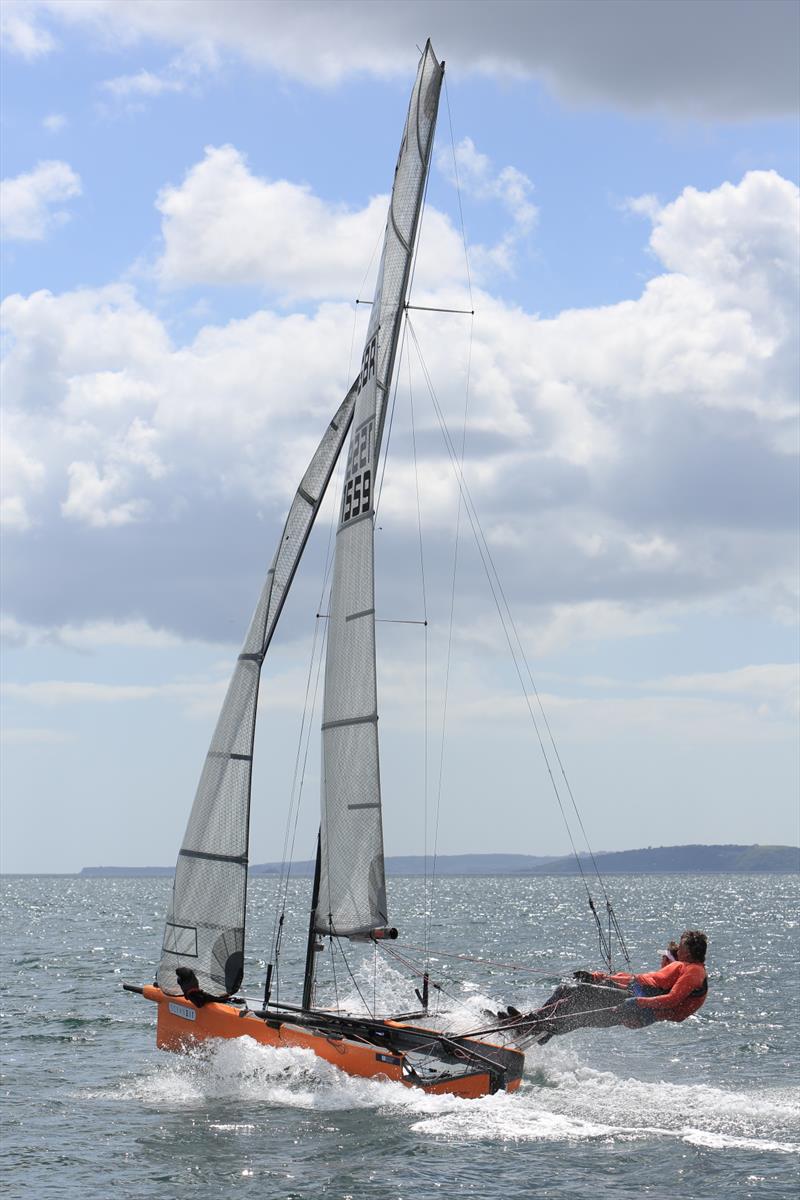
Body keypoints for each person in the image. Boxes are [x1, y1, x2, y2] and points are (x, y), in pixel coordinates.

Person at [498, 930, 708, 1044]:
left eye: (681, 946)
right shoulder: (684, 966)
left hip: (633, 1002)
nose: (678, 950)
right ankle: (538, 1028)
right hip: (633, 1001)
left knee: (571, 992)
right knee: (579, 1012)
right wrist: (595, 977)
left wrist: (636, 1002)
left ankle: (528, 1025)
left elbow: (672, 1000)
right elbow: (632, 979)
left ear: (689, 950)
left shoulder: (694, 972)